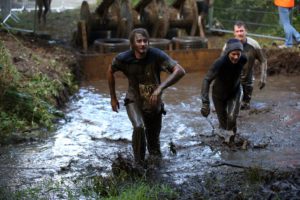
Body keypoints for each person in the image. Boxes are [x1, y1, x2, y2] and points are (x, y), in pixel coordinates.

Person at [107, 28, 186, 166]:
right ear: (132, 44)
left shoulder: (156, 55)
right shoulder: (123, 58)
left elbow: (180, 71)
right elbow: (110, 71)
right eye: (139, 41)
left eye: (145, 41)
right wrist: (113, 97)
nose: (143, 44)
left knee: (154, 145)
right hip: (134, 99)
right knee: (138, 127)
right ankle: (138, 164)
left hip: (153, 101)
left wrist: (160, 89)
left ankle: (156, 171)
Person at [201, 38, 247, 143]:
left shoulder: (243, 59)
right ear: (228, 52)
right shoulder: (219, 63)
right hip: (218, 96)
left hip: (235, 92)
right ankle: (226, 142)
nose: (236, 57)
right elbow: (206, 80)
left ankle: (231, 142)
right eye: (233, 54)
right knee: (223, 124)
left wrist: (247, 89)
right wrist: (205, 103)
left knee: (232, 118)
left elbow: (245, 75)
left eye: (238, 54)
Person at [223, 21, 267, 110]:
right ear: (234, 33)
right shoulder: (228, 45)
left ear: (246, 31)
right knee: (231, 105)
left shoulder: (254, 44)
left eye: (241, 31)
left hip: (247, 79)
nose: (240, 33)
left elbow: (263, 60)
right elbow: (221, 63)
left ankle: (245, 101)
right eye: (237, 31)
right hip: (233, 78)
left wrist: (263, 78)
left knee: (245, 106)